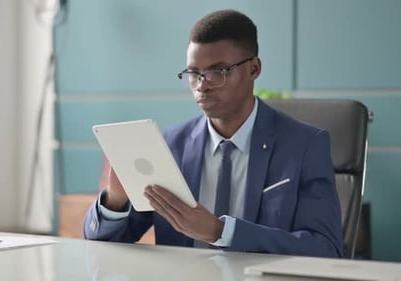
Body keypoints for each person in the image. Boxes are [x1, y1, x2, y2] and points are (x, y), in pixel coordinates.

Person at [84, 9, 343, 257]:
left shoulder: (305, 145)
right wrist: (115, 200)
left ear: (254, 69)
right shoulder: (170, 146)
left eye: (217, 72)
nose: (202, 86)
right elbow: (103, 244)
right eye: (194, 73)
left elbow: (325, 250)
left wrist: (220, 232)